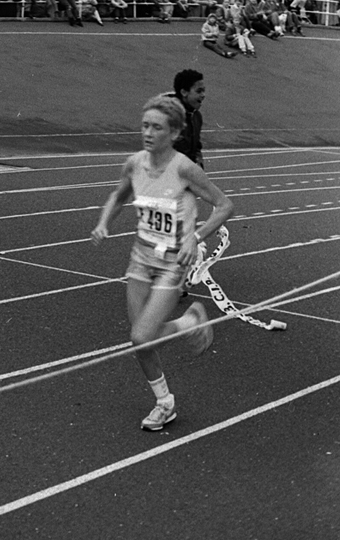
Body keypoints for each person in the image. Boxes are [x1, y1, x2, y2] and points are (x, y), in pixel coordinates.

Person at [90, 94, 234, 432]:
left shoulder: (184, 168)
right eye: (145, 125)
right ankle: (165, 400)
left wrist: (194, 238)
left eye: (157, 127)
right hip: (141, 257)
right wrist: (104, 222)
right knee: (140, 339)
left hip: (173, 261)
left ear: (173, 133)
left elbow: (225, 205)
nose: (148, 133)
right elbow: (119, 194)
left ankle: (166, 396)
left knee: (142, 336)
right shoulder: (134, 163)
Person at [170, 70, 206, 169]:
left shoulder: (196, 117)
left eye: (204, 91)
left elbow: (196, 147)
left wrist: (199, 162)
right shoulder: (168, 115)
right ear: (184, 92)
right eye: (199, 91)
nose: (203, 95)